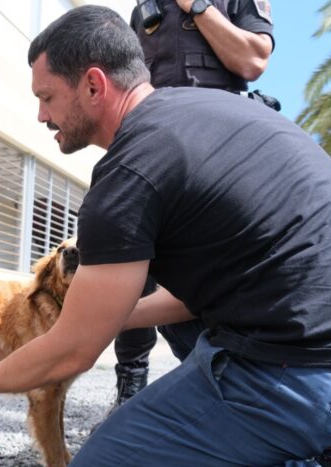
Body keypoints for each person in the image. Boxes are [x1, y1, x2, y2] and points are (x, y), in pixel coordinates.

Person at [0, 6, 331, 467]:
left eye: (46, 97)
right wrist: (102, 313)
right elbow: (206, 293)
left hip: (306, 379)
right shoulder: (210, 114)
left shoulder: (130, 171)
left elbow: (72, 352)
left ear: (94, 86)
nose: (42, 115)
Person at [109, 0, 276, 412]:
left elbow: (253, 61)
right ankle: (131, 386)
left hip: (224, 146)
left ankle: (227, 386)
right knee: (134, 258)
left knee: (221, 269)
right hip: (157, 144)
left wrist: (197, 6)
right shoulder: (142, 9)